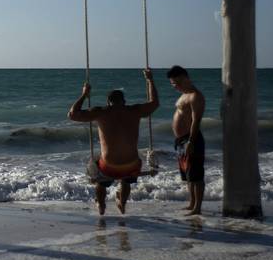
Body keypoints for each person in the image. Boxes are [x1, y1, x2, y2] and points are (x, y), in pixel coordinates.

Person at [69, 69, 159, 215]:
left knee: (100, 178)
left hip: (109, 165)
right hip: (131, 164)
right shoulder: (134, 110)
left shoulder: (101, 112)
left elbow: (72, 115)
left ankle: (101, 204)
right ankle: (122, 203)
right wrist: (150, 80)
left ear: (108, 102)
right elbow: (154, 103)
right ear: (124, 102)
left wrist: (84, 94)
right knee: (126, 178)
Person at [168, 65, 205, 215]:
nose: (175, 86)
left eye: (178, 83)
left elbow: (196, 121)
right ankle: (191, 203)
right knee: (188, 175)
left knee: (196, 175)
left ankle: (197, 208)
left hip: (191, 139)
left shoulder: (195, 96)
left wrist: (191, 141)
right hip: (181, 140)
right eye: (173, 84)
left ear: (186, 78)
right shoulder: (183, 95)